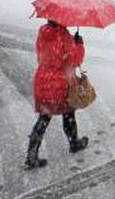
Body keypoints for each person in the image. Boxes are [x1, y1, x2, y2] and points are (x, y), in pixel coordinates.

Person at [25, 19, 89, 169]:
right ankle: (74, 143)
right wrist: (79, 44)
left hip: (43, 81)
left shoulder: (42, 33)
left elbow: (42, 56)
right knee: (68, 114)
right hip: (61, 83)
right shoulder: (64, 36)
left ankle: (31, 155)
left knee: (44, 117)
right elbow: (76, 60)